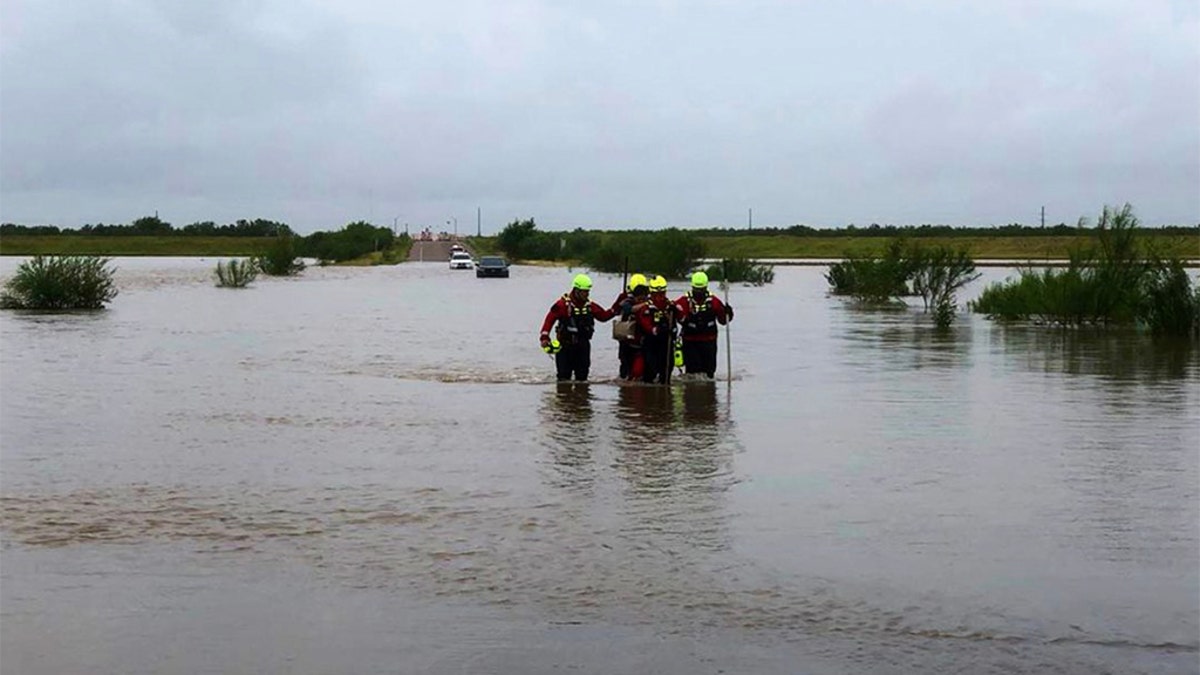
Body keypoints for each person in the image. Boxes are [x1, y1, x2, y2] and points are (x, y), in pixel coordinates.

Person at [539, 273, 615, 381]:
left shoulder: (590, 306)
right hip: (565, 346)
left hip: (583, 346)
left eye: (588, 291)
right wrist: (544, 338)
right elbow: (549, 321)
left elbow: (603, 317)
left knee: (582, 377)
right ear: (576, 290)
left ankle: (582, 397)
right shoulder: (562, 305)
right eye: (584, 291)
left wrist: (617, 307)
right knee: (563, 378)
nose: (587, 294)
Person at [672, 271, 733, 379]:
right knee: (692, 373)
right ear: (692, 287)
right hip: (690, 342)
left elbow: (723, 321)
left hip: (709, 342)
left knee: (709, 373)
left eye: (701, 290)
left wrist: (728, 312)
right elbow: (675, 314)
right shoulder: (684, 302)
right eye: (696, 290)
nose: (699, 293)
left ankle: (708, 393)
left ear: (706, 288)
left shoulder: (714, 302)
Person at [634, 275, 677, 384]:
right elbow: (647, 326)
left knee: (666, 373)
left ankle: (665, 395)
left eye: (662, 294)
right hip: (651, 345)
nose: (660, 297)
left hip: (667, 344)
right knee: (650, 373)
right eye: (657, 295)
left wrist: (675, 313)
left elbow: (682, 318)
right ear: (652, 294)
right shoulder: (645, 308)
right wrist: (658, 330)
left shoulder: (670, 306)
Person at [611, 273, 648, 379]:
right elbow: (622, 309)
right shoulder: (626, 301)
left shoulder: (649, 302)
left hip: (642, 342)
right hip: (627, 342)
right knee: (625, 370)